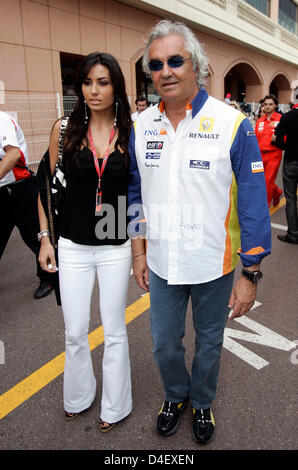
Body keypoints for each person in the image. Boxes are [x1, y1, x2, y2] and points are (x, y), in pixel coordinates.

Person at [128, 20, 271, 445]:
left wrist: (251, 273)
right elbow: (135, 194)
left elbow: (253, 203)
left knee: (209, 345)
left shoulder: (232, 123)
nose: (165, 71)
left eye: (176, 60)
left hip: (214, 263)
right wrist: (138, 253)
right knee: (164, 345)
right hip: (162, 264)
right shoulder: (140, 126)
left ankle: (202, 401)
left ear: (197, 66)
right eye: (156, 64)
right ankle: (176, 395)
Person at [38, 52, 133, 430]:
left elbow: (142, 189)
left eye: (103, 82)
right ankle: (78, 395)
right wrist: (45, 238)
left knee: (114, 330)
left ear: (116, 87)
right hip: (73, 245)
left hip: (116, 245)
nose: (94, 90)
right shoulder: (64, 129)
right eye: (87, 82)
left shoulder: (131, 129)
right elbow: (46, 185)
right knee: (75, 330)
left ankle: (116, 405)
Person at [0, 110, 53, 299]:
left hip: (19, 189)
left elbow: (13, 154)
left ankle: (48, 277)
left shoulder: (2, 119)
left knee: (35, 236)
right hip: (2, 191)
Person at [274, 86, 298, 244]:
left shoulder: (287, 116)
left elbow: (277, 139)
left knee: (290, 200)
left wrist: (287, 148)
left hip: (291, 160)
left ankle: (293, 234)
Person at [255, 94, 283, 207]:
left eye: (270, 104)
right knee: (262, 181)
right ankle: (277, 193)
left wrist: (279, 138)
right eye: (265, 104)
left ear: (275, 105)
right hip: (260, 155)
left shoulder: (281, 119)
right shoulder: (260, 121)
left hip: (274, 154)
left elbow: (287, 136)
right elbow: (256, 138)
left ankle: (264, 206)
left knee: (267, 180)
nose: (267, 106)